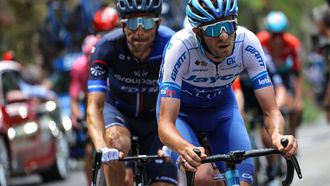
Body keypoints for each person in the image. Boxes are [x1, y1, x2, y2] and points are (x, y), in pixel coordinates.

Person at [157, 0, 298, 185]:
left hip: (222, 113)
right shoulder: (179, 47)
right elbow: (165, 124)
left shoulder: (247, 43)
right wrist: (184, 148)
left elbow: (271, 111)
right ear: (197, 33)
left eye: (229, 26)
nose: (224, 36)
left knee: (242, 181)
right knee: (203, 176)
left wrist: (277, 136)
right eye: (214, 30)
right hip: (183, 116)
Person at [86, 0, 178, 186]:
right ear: (122, 25)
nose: (140, 31)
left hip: (158, 120)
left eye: (148, 23)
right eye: (133, 23)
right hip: (120, 114)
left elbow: (188, 95)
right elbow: (94, 106)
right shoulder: (107, 46)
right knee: (115, 146)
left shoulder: (173, 44)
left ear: (159, 23)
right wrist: (101, 147)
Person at [257, 11, 304, 137]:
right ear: (268, 32)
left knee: (295, 107)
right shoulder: (259, 41)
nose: (278, 40)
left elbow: (298, 73)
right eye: (274, 35)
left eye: (281, 35)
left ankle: (292, 132)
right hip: (268, 74)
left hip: (285, 74)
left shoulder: (293, 43)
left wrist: (298, 99)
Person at [69, 34, 100, 185]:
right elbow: (74, 99)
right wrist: (78, 117)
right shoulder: (79, 67)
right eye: (88, 55)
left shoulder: (107, 59)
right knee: (89, 152)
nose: (91, 59)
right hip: (90, 103)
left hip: (108, 100)